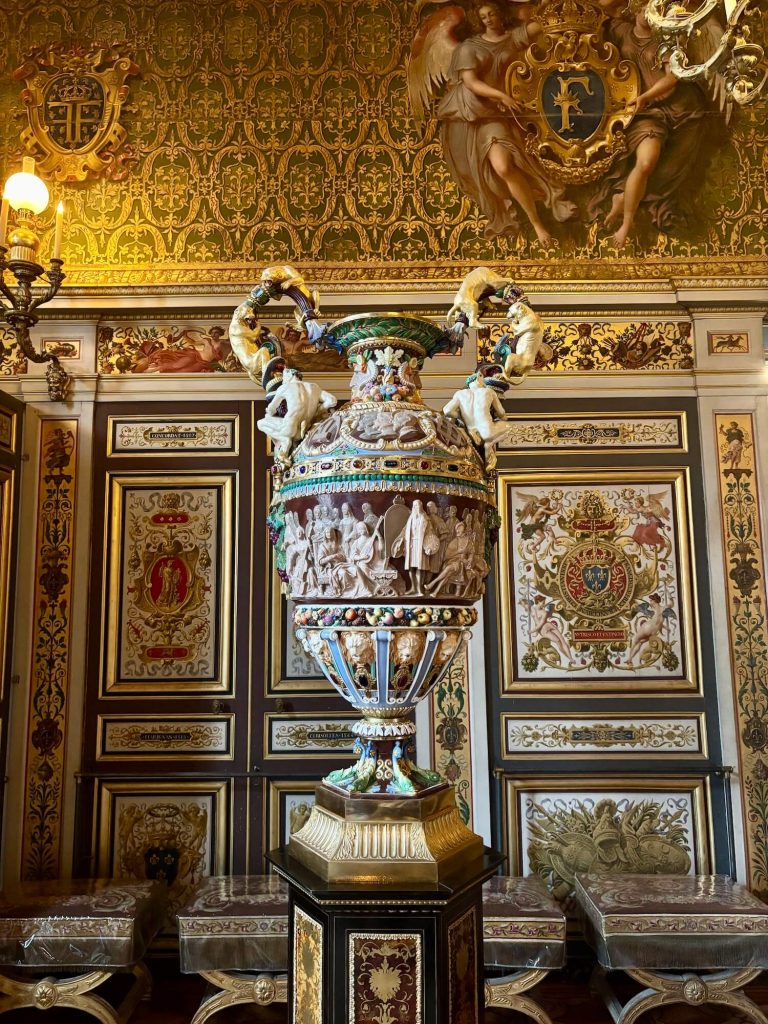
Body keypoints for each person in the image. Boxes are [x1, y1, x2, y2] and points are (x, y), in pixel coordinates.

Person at [435, 2, 576, 243]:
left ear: (501, 16)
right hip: (472, 113)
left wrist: (560, 10)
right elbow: (471, 82)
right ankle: (537, 224)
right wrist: (502, 96)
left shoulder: (511, 39)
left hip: (499, 113)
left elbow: (538, 27)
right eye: (483, 16)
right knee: (501, 167)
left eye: (492, 14)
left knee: (506, 166)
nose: (488, 19)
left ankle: (538, 220)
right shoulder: (470, 47)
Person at [589, 0, 708, 247]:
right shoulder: (621, 30)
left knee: (667, 169)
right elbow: (603, 10)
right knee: (646, 162)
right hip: (645, 114)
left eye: (653, 10)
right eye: (643, 8)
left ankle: (623, 199)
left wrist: (645, 96)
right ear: (635, 10)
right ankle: (626, 222)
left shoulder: (664, 42)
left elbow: (673, 77)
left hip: (679, 110)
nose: (647, 14)